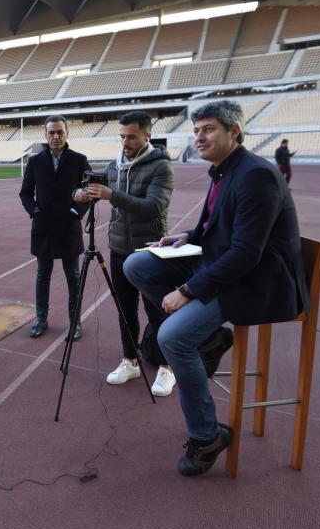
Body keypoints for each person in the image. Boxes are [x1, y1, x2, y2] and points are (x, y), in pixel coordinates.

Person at [124, 100, 308, 476]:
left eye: (207, 129)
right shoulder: (224, 171)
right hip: (224, 263)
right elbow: (218, 230)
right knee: (136, 264)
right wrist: (185, 236)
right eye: (195, 130)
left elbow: (245, 254)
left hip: (256, 282)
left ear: (233, 132)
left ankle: (207, 436)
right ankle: (208, 341)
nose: (199, 136)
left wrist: (188, 291)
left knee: (172, 337)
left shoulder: (255, 176)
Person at [74, 111, 176, 395]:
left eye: (131, 136)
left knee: (156, 309)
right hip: (119, 247)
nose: (126, 142)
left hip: (150, 250)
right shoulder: (114, 166)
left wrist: (112, 195)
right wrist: (80, 194)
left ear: (147, 135)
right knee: (125, 309)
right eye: (122, 136)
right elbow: (95, 188)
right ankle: (131, 360)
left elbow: (154, 206)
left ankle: (167, 366)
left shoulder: (161, 167)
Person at [19, 115, 89, 340]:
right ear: (45, 134)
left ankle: (75, 323)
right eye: (51, 132)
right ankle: (41, 319)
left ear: (67, 133)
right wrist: (35, 211)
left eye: (60, 132)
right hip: (44, 228)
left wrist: (75, 213)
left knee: (74, 278)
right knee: (43, 276)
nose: (56, 136)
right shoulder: (35, 161)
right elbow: (25, 192)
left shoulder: (80, 160)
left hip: (69, 228)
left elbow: (89, 192)